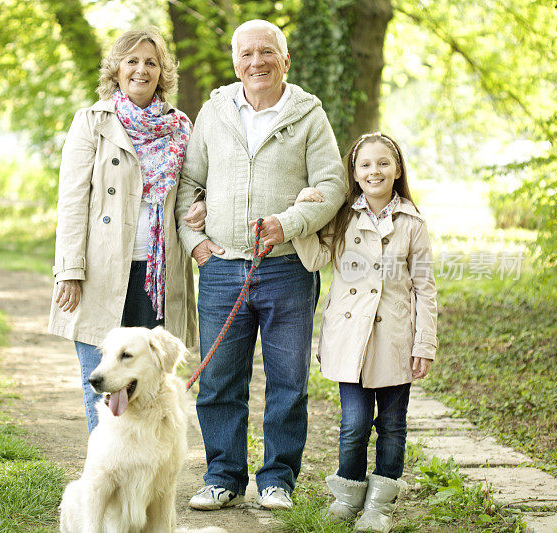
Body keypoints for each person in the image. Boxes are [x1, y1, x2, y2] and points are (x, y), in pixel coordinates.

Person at [175, 19, 346, 511]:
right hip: (222, 266)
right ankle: (222, 476)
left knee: (288, 382)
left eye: (267, 52)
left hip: (288, 267)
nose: (257, 62)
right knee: (220, 380)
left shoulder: (309, 115)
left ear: (285, 60)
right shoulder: (214, 112)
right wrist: (195, 243)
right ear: (235, 63)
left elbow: (333, 186)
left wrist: (287, 224)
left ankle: (277, 480)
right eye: (247, 54)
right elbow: (188, 183)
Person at [49, 28, 197, 434]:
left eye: (151, 62)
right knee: (101, 378)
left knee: (154, 382)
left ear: (162, 71)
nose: (141, 70)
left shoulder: (181, 127)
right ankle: (107, 470)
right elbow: (73, 200)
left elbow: (190, 193)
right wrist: (69, 269)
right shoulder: (92, 122)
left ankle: (147, 471)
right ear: (116, 69)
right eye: (131, 60)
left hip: (158, 274)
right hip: (101, 270)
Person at [292, 132, 438, 533]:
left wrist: (424, 342)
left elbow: (424, 288)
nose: (375, 171)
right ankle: (347, 495)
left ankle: (380, 506)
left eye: (383, 163)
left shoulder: (412, 222)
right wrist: (301, 215)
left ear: (398, 169)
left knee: (392, 425)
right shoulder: (342, 216)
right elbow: (316, 259)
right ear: (353, 173)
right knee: (354, 423)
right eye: (365, 165)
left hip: (395, 338)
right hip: (350, 337)